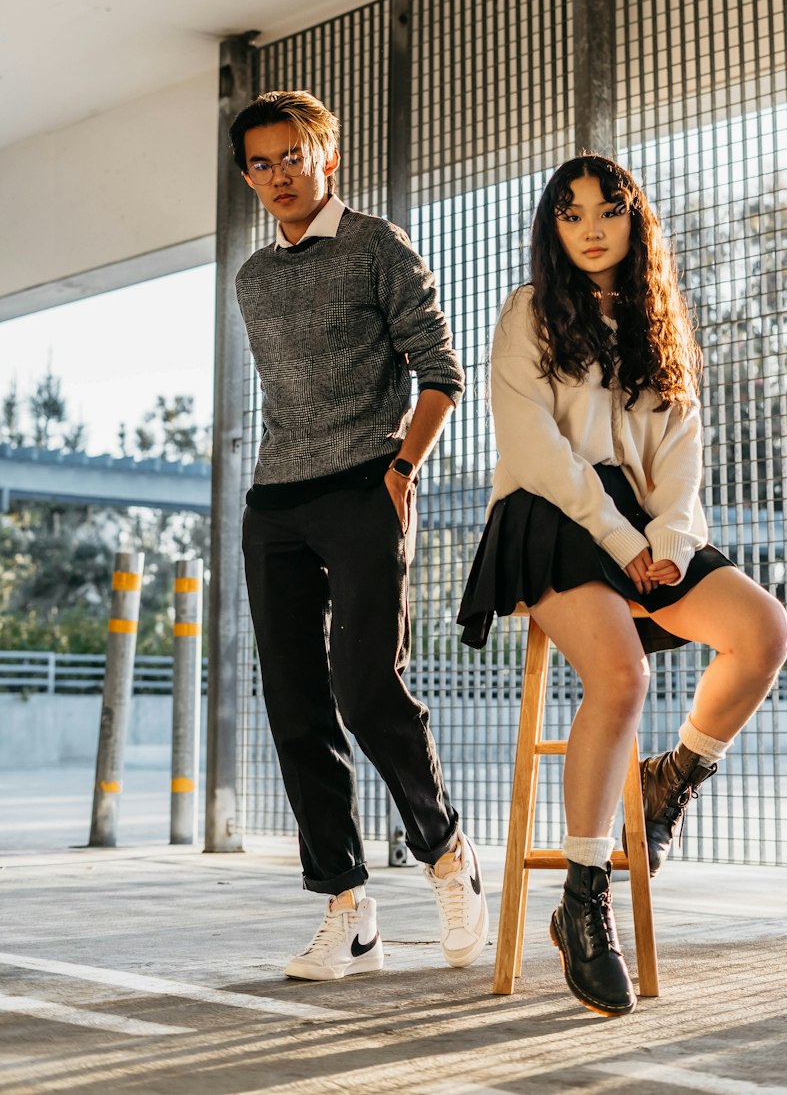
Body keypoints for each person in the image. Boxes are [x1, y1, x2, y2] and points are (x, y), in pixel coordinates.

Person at [459, 154, 787, 1016]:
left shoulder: (663, 323)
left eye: (607, 211)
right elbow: (534, 449)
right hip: (552, 515)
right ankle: (582, 899)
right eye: (571, 215)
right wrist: (617, 535)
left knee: (763, 632)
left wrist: (669, 543)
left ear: (634, 221)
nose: (592, 227)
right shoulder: (529, 313)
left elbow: (683, 461)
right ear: (552, 230)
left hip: (647, 527)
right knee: (623, 676)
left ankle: (671, 777)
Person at [231, 88, 488, 981]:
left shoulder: (377, 245)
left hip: (363, 488)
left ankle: (447, 853)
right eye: (259, 164)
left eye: (291, 155)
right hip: (275, 504)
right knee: (295, 705)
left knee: (367, 687)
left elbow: (442, 372)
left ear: (325, 155)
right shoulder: (253, 279)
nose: (277, 176)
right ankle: (347, 907)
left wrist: (403, 469)